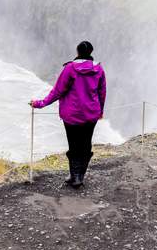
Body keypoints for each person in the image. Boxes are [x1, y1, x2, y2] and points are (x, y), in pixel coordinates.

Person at [30, 40, 106, 188]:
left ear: (77, 52)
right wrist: (100, 111)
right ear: (91, 52)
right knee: (86, 144)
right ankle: (79, 175)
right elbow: (102, 93)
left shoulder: (70, 69)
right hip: (91, 114)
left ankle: (75, 176)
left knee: (73, 144)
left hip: (72, 114)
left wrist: (40, 103)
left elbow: (58, 91)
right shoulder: (99, 69)